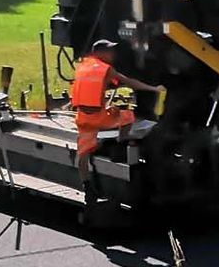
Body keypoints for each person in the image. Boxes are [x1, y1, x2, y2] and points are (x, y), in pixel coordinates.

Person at [69, 39, 160, 181]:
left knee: (83, 154)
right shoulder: (105, 69)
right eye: (109, 51)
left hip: (83, 118)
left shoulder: (82, 67)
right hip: (99, 118)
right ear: (99, 53)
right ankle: (120, 144)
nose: (113, 54)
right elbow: (129, 82)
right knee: (127, 114)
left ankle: (86, 186)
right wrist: (153, 88)